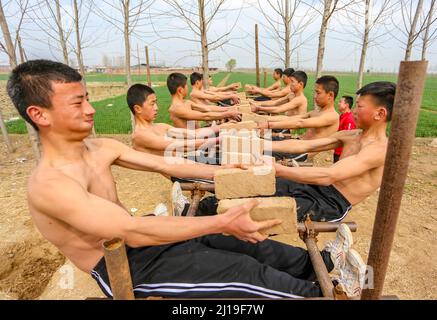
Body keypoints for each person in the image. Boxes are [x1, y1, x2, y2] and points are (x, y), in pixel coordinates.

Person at [7, 59, 366, 299]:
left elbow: (173, 167)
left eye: (87, 99)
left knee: (247, 247)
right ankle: (322, 295)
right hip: (128, 265)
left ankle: (325, 269)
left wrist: (223, 172)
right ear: (39, 114)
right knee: (240, 270)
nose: (90, 109)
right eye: (77, 103)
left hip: (146, 234)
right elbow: (131, 231)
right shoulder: (50, 185)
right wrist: (221, 222)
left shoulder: (100, 148)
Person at [189, 81, 394, 223]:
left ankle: (203, 221)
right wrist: (259, 145)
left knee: (255, 208)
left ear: (380, 113)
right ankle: (193, 211)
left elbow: (328, 175)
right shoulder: (351, 136)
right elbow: (303, 146)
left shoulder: (380, 150)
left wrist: (278, 169)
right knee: (251, 186)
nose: (353, 110)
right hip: (312, 186)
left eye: (359, 106)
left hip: (330, 203)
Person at [259, 76, 340, 162]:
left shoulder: (332, 116)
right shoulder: (315, 112)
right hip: (296, 143)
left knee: (259, 150)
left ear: (330, 95)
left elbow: (300, 123)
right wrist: (263, 119)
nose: (314, 96)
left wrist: (269, 125)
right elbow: (291, 118)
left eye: (318, 93)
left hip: (302, 153)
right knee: (260, 140)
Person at [128, 83, 220, 156]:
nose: (156, 108)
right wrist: (218, 140)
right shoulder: (140, 136)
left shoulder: (161, 126)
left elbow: (193, 134)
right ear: (138, 109)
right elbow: (181, 145)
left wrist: (221, 128)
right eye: (152, 104)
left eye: (156, 103)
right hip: (182, 174)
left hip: (188, 165)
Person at [168, 73, 241, 129]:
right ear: (180, 90)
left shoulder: (187, 102)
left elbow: (208, 108)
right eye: (186, 85)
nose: (188, 87)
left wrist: (229, 109)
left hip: (199, 135)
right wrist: (227, 114)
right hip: (192, 145)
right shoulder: (176, 108)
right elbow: (205, 116)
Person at [334, 96, 357, 163]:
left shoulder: (349, 119)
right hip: (337, 150)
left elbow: (348, 138)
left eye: (340, 102)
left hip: (341, 153)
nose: (338, 103)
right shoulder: (342, 116)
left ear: (346, 105)